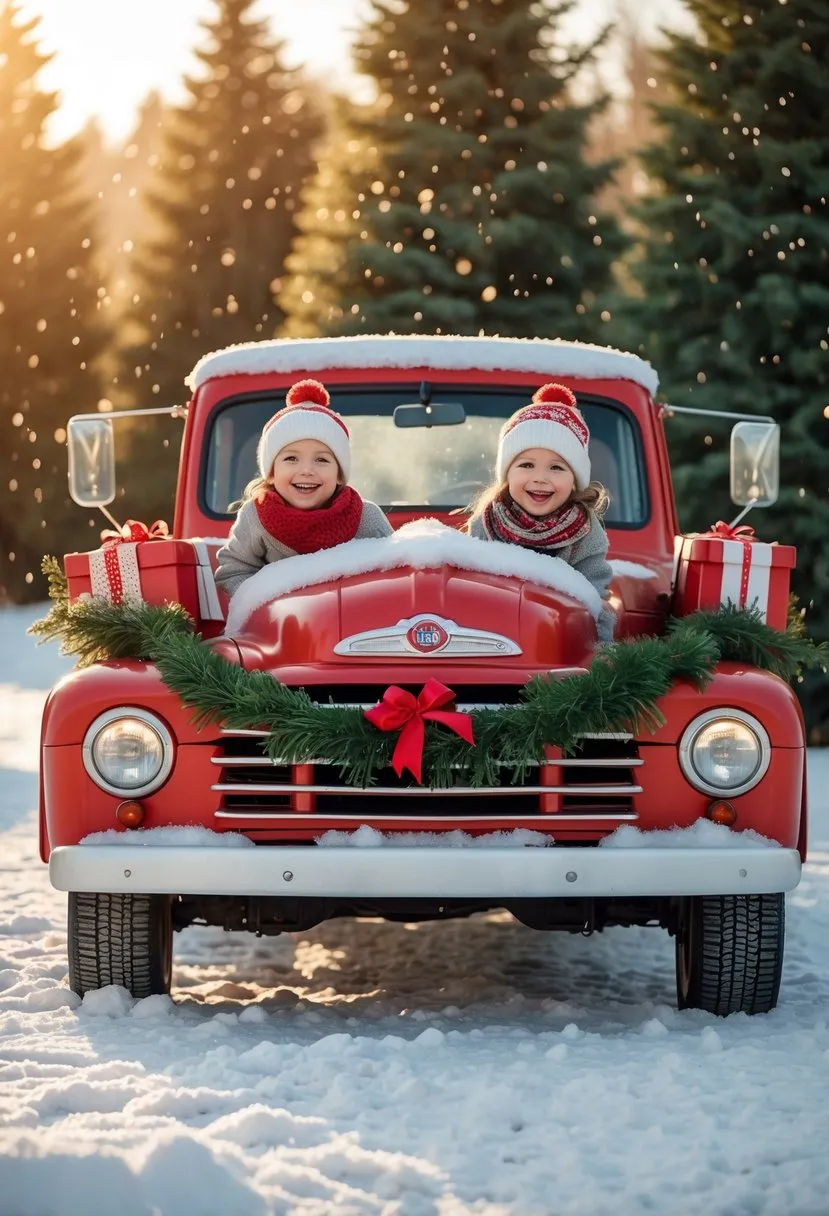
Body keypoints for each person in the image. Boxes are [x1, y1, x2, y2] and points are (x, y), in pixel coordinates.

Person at [215, 379, 392, 597]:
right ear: (271, 472)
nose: (307, 470)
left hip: (353, 625)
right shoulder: (256, 517)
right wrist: (262, 606)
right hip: (280, 626)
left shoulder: (365, 517)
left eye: (322, 460)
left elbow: (393, 572)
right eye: (291, 458)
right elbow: (233, 571)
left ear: (339, 474)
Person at [466, 382, 615, 642]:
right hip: (494, 642)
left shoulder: (586, 533)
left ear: (574, 480)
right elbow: (467, 592)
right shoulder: (486, 524)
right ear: (507, 474)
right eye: (526, 465)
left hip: (558, 645)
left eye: (556, 468)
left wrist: (598, 654)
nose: (540, 478)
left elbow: (595, 601)